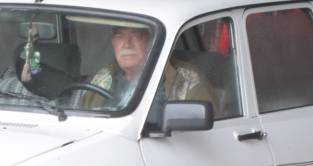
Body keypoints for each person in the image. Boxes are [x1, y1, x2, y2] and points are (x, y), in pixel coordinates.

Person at [78, 25, 215, 111]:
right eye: (120, 36)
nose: (127, 44)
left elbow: (207, 137)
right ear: (113, 42)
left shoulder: (187, 80)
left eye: (136, 35)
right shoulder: (103, 77)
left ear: (152, 41)